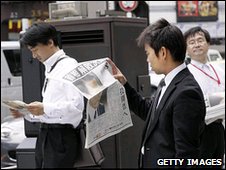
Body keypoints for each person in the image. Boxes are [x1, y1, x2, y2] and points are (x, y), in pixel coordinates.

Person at [107, 18, 206, 168]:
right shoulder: (168, 81)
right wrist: (124, 86)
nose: (147, 59)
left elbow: (186, 156)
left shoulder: (186, 93)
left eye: (148, 53)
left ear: (163, 52)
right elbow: (151, 113)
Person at [10, 22, 84, 168]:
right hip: (48, 135)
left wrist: (45, 108)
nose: (34, 55)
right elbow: (50, 111)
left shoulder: (68, 66)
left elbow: (76, 107)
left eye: (35, 49)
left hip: (61, 136)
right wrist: (26, 112)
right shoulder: (52, 68)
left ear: (50, 42)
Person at [184, 26, 225, 168]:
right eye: (192, 42)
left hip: (219, 127)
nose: (197, 44)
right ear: (187, 49)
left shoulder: (219, 70)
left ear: (208, 44)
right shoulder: (186, 74)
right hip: (199, 130)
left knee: (217, 164)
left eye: (200, 40)